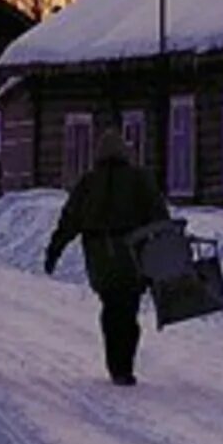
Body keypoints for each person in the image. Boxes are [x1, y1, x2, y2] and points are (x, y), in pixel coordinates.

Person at [43, 126, 170, 385]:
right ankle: (125, 366)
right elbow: (159, 216)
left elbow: (69, 220)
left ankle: (115, 365)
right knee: (129, 310)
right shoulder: (139, 179)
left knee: (111, 307)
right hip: (134, 255)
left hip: (100, 256)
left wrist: (54, 250)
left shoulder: (87, 183)